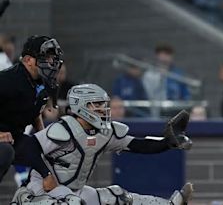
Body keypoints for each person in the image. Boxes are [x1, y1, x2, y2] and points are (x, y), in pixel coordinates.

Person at [12, 84, 194, 205]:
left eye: (104, 104)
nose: (103, 109)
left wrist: (167, 142)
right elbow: (26, 149)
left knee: (117, 196)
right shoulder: (63, 129)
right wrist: (46, 174)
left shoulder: (105, 132)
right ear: (80, 106)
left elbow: (139, 145)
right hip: (39, 194)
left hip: (74, 192)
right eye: (96, 104)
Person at [0, 35, 63, 192]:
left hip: (14, 137)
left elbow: (34, 110)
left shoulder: (38, 82)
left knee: (50, 154)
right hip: (4, 140)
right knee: (5, 151)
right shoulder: (8, 81)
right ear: (28, 60)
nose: (51, 63)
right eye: (45, 58)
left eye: (52, 58)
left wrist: (43, 138)